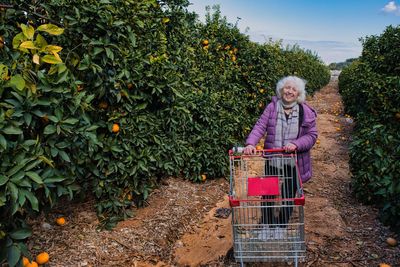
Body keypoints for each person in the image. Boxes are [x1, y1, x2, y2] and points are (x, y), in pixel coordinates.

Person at [243, 75, 317, 238]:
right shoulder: (272, 107)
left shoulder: (306, 111)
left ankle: (281, 226)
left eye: (293, 89)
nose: (289, 91)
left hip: (293, 161)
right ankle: (267, 225)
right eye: (287, 87)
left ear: (298, 94)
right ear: (281, 90)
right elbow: (260, 126)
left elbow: (312, 135)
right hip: (273, 158)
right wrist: (250, 143)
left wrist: (297, 144)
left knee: (288, 195)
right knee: (268, 193)